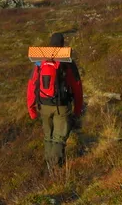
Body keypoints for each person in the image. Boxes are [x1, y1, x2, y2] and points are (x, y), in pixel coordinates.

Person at [27, 31, 84, 170]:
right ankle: (56, 169)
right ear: (62, 44)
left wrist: (31, 109)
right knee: (59, 138)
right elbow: (77, 87)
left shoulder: (40, 62)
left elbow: (31, 85)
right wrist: (77, 110)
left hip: (43, 104)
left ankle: (49, 166)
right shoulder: (67, 62)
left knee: (48, 136)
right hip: (61, 106)